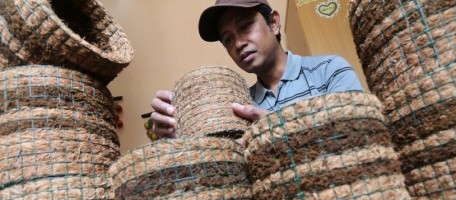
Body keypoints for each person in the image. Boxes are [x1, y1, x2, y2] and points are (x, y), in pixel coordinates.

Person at [151, 0, 363, 139]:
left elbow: (361, 133)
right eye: (228, 39)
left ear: (274, 23)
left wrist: (276, 127)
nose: (238, 43)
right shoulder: (240, 108)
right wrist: (178, 138)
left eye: (245, 26)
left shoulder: (329, 70)